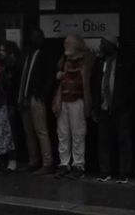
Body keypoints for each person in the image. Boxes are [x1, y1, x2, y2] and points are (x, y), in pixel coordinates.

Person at [91, 35, 135, 184]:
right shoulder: (100, 62)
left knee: (123, 139)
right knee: (103, 140)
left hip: (120, 107)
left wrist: (126, 102)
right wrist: (96, 105)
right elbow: (96, 83)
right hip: (104, 106)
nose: (101, 46)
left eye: (103, 43)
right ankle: (105, 171)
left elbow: (132, 83)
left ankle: (123, 172)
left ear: (111, 45)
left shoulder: (124, 61)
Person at [52, 34, 93, 180]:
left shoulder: (85, 59)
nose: (65, 45)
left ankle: (78, 164)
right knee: (63, 133)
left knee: (78, 133)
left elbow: (86, 81)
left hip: (77, 99)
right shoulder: (65, 60)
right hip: (64, 98)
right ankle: (64, 163)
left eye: (68, 43)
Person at [17, 29, 54, 175]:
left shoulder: (45, 55)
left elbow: (49, 76)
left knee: (41, 131)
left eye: (39, 37)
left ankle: (47, 162)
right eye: (34, 37)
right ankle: (33, 161)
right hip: (24, 97)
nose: (37, 40)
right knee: (29, 132)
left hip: (36, 97)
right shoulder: (27, 54)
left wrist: (43, 94)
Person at [0, 40, 23, 172]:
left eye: (3, 50)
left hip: (10, 102)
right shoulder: (2, 66)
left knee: (11, 132)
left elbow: (12, 86)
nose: (1, 53)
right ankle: (5, 158)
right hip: (4, 102)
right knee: (4, 132)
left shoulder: (12, 67)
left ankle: (12, 158)